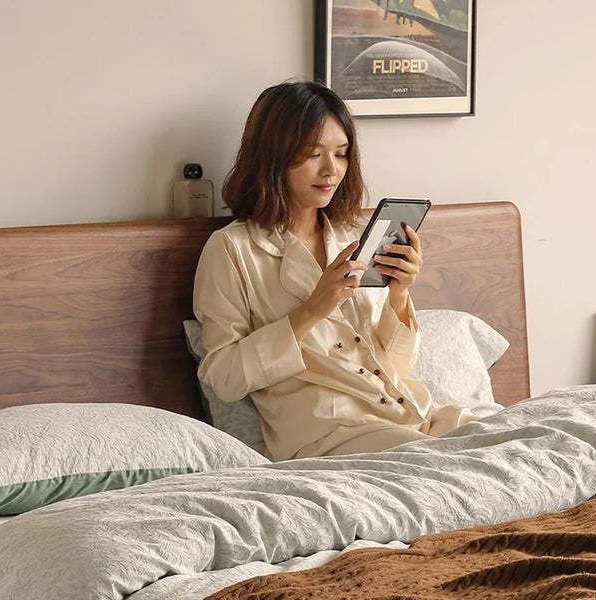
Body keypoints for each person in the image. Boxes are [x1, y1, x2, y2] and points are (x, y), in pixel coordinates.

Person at [193, 80, 472, 459]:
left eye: (341, 154)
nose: (331, 170)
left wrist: (399, 294)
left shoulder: (355, 238)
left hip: (411, 415)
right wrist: (311, 311)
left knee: (514, 441)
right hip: (328, 434)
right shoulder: (232, 249)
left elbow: (397, 367)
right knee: (443, 462)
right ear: (272, 157)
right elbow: (223, 378)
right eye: (313, 154)